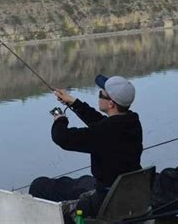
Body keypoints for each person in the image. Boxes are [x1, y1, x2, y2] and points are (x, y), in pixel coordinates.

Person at [29, 74, 143, 223]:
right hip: (125, 192)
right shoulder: (132, 122)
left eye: (101, 94)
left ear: (111, 104)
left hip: (104, 201)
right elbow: (101, 123)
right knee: (76, 184)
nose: (98, 96)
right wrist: (74, 102)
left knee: (39, 186)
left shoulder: (105, 133)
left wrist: (60, 119)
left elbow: (62, 138)